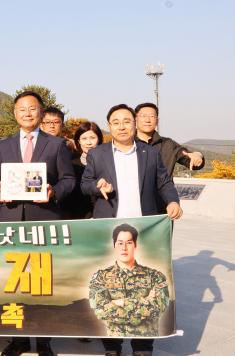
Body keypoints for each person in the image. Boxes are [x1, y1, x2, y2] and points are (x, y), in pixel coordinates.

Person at [81, 104, 182, 356]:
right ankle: (112, 346)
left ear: (135, 123)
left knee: (144, 287)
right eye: (116, 122)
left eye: (127, 121)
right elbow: (85, 184)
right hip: (109, 228)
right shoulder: (98, 153)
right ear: (109, 126)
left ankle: (142, 347)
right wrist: (96, 185)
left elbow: (164, 182)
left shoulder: (150, 152)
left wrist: (173, 201)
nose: (122, 126)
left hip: (144, 229)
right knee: (111, 287)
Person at [0, 91, 76, 356]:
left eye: (32, 109)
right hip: (12, 222)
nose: (27, 113)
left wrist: (54, 192)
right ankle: (18, 340)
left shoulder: (57, 144)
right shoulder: (3, 145)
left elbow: (69, 179)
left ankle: (44, 341)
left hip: (45, 220)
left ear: (40, 113)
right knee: (15, 282)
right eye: (22, 109)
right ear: (14, 113)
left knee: (42, 283)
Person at [89, 224, 170, 341]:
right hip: (114, 336)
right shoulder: (101, 276)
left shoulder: (154, 275)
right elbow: (100, 310)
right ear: (114, 246)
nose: (124, 248)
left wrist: (120, 302)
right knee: (112, 349)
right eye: (120, 243)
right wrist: (139, 312)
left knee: (143, 351)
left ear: (135, 245)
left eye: (129, 242)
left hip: (145, 336)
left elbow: (159, 307)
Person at [134, 102, 205, 180]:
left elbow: (193, 163)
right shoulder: (126, 144)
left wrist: (198, 155)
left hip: (163, 191)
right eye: (143, 116)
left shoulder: (168, 145)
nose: (147, 120)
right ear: (135, 120)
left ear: (157, 121)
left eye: (152, 116)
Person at [61, 121, 104, 220]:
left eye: (92, 138)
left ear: (99, 139)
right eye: (84, 138)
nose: (88, 142)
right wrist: (87, 216)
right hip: (79, 218)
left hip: (103, 217)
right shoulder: (71, 164)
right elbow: (69, 196)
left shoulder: (108, 162)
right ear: (78, 141)